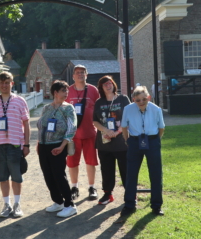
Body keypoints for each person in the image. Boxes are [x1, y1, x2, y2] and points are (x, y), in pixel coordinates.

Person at [0, 71, 30, 218]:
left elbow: (26, 123)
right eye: (2, 82)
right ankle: (7, 205)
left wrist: (27, 144)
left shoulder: (20, 101)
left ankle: (17, 204)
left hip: (15, 144)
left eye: (7, 82)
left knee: (16, 177)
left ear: (12, 84)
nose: (4, 85)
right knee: (2, 177)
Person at [120, 86, 165, 217]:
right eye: (138, 100)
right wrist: (128, 141)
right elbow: (124, 127)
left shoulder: (156, 109)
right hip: (134, 141)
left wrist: (155, 141)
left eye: (144, 99)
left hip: (152, 141)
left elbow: (161, 128)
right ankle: (129, 204)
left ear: (148, 98)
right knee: (131, 174)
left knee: (156, 174)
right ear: (134, 100)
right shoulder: (128, 109)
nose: (141, 102)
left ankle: (156, 206)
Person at [37, 80, 78, 217]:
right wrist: (39, 144)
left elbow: (72, 127)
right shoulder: (46, 108)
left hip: (58, 146)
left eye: (67, 90)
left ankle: (70, 204)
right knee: (48, 175)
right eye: (63, 90)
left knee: (59, 175)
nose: (66, 93)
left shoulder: (68, 108)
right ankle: (58, 201)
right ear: (55, 92)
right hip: (43, 146)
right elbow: (41, 126)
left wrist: (62, 146)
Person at [92, 76, 130, 205]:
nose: (108, 86)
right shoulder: (99, 102)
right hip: (104, 142)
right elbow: (95, 121)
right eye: (104, 84)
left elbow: (129, 117)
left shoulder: (123, 99)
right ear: (101, 88)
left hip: (122, 142)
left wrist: (117, 132)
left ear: (113, 84)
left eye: (109, 83)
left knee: (125, 169)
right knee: (106, 170)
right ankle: (108, 194)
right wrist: (106, 130)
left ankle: (130, 194)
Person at [65, 64, 100, 200]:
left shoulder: (93, 90)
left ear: (86, 75)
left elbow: (98, 108)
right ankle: (74, 187)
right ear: (73, 76)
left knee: (91, 161)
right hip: (72, 135)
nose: (80, 74)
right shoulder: (68, 91)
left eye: (82, 72)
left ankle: (92, 187)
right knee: (72, 162)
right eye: (77, 72)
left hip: (90, 133)